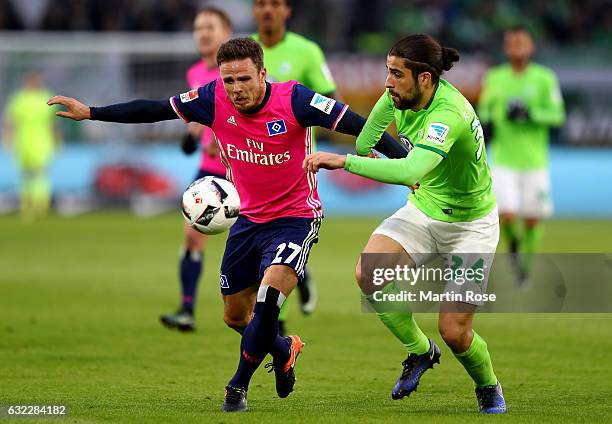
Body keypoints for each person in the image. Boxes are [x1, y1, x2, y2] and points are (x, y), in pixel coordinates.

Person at [48, 37, 407, 412]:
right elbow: (155, 109)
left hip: (295, 218)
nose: (236, 89)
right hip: (247, 221)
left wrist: (405, 166)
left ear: (263, 73)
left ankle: (237, 387)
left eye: (244, 79)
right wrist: (91, 112)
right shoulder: (211, 98)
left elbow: (360, 125)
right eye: (229, 80)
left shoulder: (297, 100)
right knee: (236, 316)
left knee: (268, 302)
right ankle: (284, 349)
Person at [304, 34, 507, 414]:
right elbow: (367, 142)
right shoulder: (396, 98)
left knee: (456, 333)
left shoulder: (449, 114)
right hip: (425, 209)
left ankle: (488, 385)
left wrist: (344, 162)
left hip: (471, 226)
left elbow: (396, 165)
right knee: (369, 273)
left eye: (396, 74)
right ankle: (419, 351)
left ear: (425, 79)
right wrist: (406, 168)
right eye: (387, 71)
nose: (387, 82)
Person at [251, 0, 339, 327]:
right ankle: (301, 273)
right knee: (263, 247)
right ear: (253, 11)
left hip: (295, 168)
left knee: (276, 250)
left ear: (287, 11)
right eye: (260, 4)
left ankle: (277, 326)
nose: (267, 10)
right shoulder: (243, 52)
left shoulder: (307, 52)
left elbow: (331, 101)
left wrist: (354, 143)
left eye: (274, 4)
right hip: (251, 166)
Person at [159, 7, 232, 333]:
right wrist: (191, 136)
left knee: (260, 241)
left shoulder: (236, 71)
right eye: (198, 27)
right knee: (192, 236)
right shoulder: (195, 73)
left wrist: (219, 136)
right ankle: (187, 309)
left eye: (210, 27)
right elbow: (199, 115)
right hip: (208, 169)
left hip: (244, 169)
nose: (202, 33)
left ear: (226, 32)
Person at [478, 26, 565, 286]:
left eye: (521, 43)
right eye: (512, 43)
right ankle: (513, 247)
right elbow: (484, 111)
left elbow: (558, 115)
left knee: (531, 219)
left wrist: (530, 114)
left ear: (531, 47)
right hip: (504, 159)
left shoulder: (545, 78)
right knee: (506, 214)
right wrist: (494, 119)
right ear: (506, 48)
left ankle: (524, 269)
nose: (517, 48)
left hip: (534, 161)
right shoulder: (494, 78)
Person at [3, 71, 59, 221]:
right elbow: (10, 120)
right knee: (25, 174)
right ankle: (26, 206)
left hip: (41, 141)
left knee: (40, 173)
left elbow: (53, 122)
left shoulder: (46, 97)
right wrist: (7, 139)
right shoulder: (19, 98)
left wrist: (56, 140)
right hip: (22, 140)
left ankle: (40, 206)